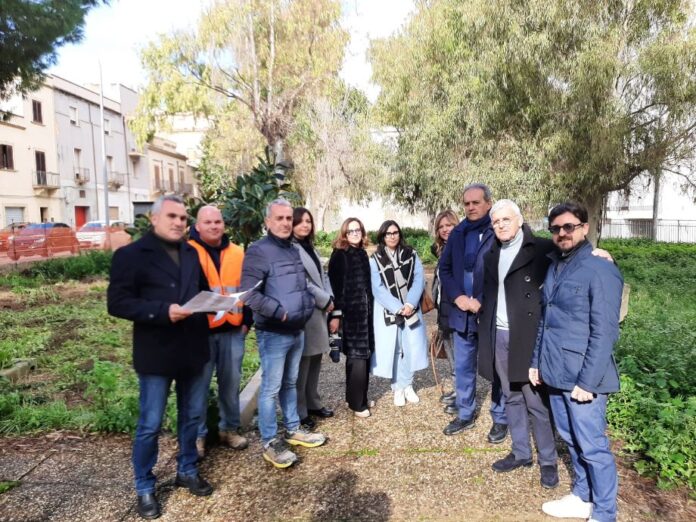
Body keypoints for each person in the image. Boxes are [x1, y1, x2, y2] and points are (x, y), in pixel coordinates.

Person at [107, 195, 213, 520]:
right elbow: (118, 303)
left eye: (183, 217)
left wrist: (218, 303)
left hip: (193, 348)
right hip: (156, 352)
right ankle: (144, 486)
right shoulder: (130, 255)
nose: (179, 222)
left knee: (192, 416)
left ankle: (187, 470)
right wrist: (162, 311)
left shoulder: (191, 252)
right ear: (153, 219)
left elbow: (202, 290)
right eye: (172, 216)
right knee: (150, 424)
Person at [530, 201, 623, 522]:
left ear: (584, 228)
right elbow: (546, 320)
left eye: (569, 226)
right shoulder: (555, 265)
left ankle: (605, 513)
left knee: (593, 446)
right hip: (555, 370)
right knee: (570, 439)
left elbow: (605, 331)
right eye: (555, 228)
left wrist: (588, 381)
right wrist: (536, 361)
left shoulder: (600, 268)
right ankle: (583, 497)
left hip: (584, 377)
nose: (562, 233)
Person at [477, 200, 559, 489]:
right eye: (495, 221)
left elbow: (574, 258)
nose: (500, 225)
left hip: (528, 335)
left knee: (535, 400)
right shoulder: (492, 253)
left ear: (519, 220)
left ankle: (548, 461)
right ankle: (522, 452)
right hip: (499, 333)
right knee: (511, 395)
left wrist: (601, 254)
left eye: (506, 219)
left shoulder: (542, 248)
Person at [241, 199, 326, 469]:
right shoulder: (258, 251)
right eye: (280, 218)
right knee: (271, 388)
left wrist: (305, 308)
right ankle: (270, 442)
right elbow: (248, 294)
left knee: (290, 383)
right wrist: (280, 312)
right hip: (274, 332)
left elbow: (302, 286)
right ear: (268, 221)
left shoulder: (292, 249)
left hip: (297, 329)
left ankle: (292, 428)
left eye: (289, 218)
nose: (286, 223)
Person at [438, 183, 507, 441]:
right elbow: (445, 269)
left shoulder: (498, 229)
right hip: (462, 314)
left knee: (497, 369)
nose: (470, 207)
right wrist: (458, 297)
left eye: (476, 202)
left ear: (488, 203)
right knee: (464, 367)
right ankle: (465, 413)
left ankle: (500, 418)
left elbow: (506, 270)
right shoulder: (458, 233)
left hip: (489, 314)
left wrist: (481, 300)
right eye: (466, 203)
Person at [188, 205, 251, 458]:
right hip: (200, 331)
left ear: (224, 224)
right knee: (198, 385)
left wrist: (247, 320)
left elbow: (247, 288)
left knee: (230, 383)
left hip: (233, 330)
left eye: (218, 221)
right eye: (208, 222)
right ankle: (198, 436)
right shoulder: (187, 251)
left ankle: (229, 429)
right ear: (197, 226)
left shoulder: (237, 252)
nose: (214, 226)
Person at [370, 220, 428, 406]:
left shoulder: (411, 254)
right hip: (389, 311)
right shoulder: (375, 259)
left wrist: (410, 303)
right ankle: (397, 388)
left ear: (399, 234)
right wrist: (397, 307)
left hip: (411, 308)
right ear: (382, 236)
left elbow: (419, 279)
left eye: (395, 232)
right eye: (388, 233)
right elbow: (377, 287)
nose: (392, 236)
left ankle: (407, 385)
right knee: (395, 349)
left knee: (410, 347)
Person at [291, 207, 335, 429]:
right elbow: (303, 282)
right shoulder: (291, 248)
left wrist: (330, 297)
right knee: (303, 363)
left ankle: (313, 402)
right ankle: (300, 411)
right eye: (300, 221)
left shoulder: (310, 247)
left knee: (316, 359)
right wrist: (324, 299)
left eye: (308, 221)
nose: (305, 225)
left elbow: (323, 275)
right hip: (307, 310)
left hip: (320, 311)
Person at [327, 218, 375, 417]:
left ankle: (356, 397)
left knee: (363, 357)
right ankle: (357, 404)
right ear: (344, 234)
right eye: (350, 231)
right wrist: (336, 315)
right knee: (357, 359)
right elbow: (335, 288)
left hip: (366, 314)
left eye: (358, 230)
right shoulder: (340, 255)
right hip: (351, 315)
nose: (355, 233)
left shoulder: (361, 253)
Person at [430, 210, 460, 408]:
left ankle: (464, 396)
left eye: (449, 225)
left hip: (457, 310)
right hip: (444, 310)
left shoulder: (461, 248)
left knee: (460, 356)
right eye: (441, 227)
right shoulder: (442, 250)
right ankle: (459, 390)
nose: (445, 229)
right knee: (451, 353)